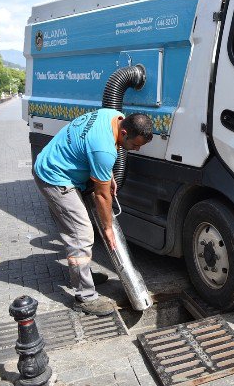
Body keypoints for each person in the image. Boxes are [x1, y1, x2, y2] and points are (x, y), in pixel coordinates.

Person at [33, 109, 153, 316]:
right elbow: (102, 197)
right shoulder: (104, 150)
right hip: (54, 177)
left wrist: (107, 175)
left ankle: (82, 274)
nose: (136, 150)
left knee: (80, 232)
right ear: (124, 132)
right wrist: (107, 228)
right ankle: (84, 297)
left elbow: (95, 151)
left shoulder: (112, 115)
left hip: (58, 162)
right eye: (135, 145)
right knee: (81, 234)